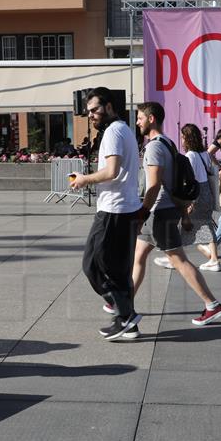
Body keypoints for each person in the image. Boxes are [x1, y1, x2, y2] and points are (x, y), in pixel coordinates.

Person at [133, 103, 221, 327]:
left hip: (159, 212)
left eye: (140, 118)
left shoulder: (155, 147)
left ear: (151, 119)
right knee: (138, 258)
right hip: (163, 210)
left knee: (179, 260)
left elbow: (154, 185)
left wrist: (142, 213)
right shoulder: (168, 143)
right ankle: (123, 304)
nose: (137, 122)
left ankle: (212, 305)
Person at [70, 87, 142, 340]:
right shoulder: (125, 130)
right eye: (88, 112)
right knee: (118, 269)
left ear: (109, 106)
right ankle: (127, 320)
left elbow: (111, 171)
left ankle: (124, 313)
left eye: (95, 110)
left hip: (114, 209)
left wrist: (84, 179)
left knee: (93, 264)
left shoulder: (113, 132)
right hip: (125, 207)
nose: (91, 115)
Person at [153, 123, 221, 272]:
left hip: (196, 194)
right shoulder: (204, 154)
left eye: (183, 137)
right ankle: (213, 258)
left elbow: (190, 179)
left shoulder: (190, 155)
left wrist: (189, 202)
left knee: (184, 224)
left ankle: (175, 258)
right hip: (206, 193)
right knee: (205, 225)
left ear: (187, 139)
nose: (181, 140)